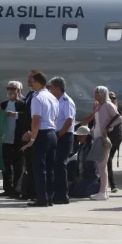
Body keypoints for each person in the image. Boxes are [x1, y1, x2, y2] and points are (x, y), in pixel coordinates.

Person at [21, 72, 59, 207]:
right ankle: (49, 197)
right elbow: (55, 118)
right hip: (52, 133)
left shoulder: (37, 98)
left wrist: (32, 138)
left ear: (37, 82)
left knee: (39, 169)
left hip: (41, 135)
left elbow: (36, 119)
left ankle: (42, 198)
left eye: (32, 81)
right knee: (50, 169)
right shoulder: (52, 97)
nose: (30, 83)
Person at [85, 86, 122, 201]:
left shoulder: (108, 105)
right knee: (100, 166)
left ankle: (103, 192)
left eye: (97, 92)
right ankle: (103, 191)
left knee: (102, 166)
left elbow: (119, 118)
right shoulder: (99, 105)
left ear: (102, 94)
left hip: (103, 139)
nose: (95, 94)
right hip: (97, 138)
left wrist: (109, 127)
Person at [0, 81, 26, 197]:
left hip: (18, 139)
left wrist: (15, 114)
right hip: (6, 139)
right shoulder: (4, 104)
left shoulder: (22, 104)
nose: (10, 91)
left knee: (18, 166)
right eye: (8, 88)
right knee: (6, 166)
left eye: (13, 89)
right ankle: (7, 188)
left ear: (19, 91)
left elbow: (27, 116)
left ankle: (17, 189)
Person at [48, 76, 76, 204]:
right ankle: (56, 193)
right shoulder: (55, 100)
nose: (50, 90)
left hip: (64, 136)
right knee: (55, 165)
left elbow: (69, 121)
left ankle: (63, 195)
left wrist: (59, 134)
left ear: (57, 88)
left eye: (51, 87)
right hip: (57, 134)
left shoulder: (66, 101)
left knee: (60, 165)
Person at [19, 70, 40, 201]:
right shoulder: (31, 94)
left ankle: (33, 192)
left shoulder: (38, 96)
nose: (28, 79)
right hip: (27, 133)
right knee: (29, 165)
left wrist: (31, 133)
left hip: (33, 134)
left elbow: (36, 118)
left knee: (34, 165)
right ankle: (29, 191)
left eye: (30, 78)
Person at [68, 126, 100, 199]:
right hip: (83, 175)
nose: (78, 138)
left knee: (78, 193)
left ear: (85, 136)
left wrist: (83, 176)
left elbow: (92, 165)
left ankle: (98, 187)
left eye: (80, 136)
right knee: (70, 190)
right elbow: (79, 161)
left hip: (91, 176)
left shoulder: (92, 146)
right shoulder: (81, 146)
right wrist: (77, 175)